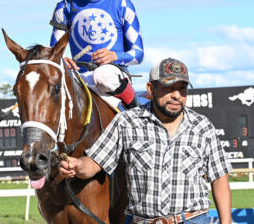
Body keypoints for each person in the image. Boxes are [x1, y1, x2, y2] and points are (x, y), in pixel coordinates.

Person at [59, 57, 232, 224]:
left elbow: (219, 178)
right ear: (151, 88)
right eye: (168, 88)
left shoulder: (202, 127)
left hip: (193, 220)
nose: (177, 95)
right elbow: (94, 163)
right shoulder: (127, 122)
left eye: (182, 89)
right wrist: (76, 166)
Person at [49, 0, 144, 109]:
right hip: (79, 77)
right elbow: (53, 54)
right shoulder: (64, 6)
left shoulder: (122, 3)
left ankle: (136, 112)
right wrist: (63, 60)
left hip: (113, 76)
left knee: (103, 74)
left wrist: (115, 56)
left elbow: (138, 55)